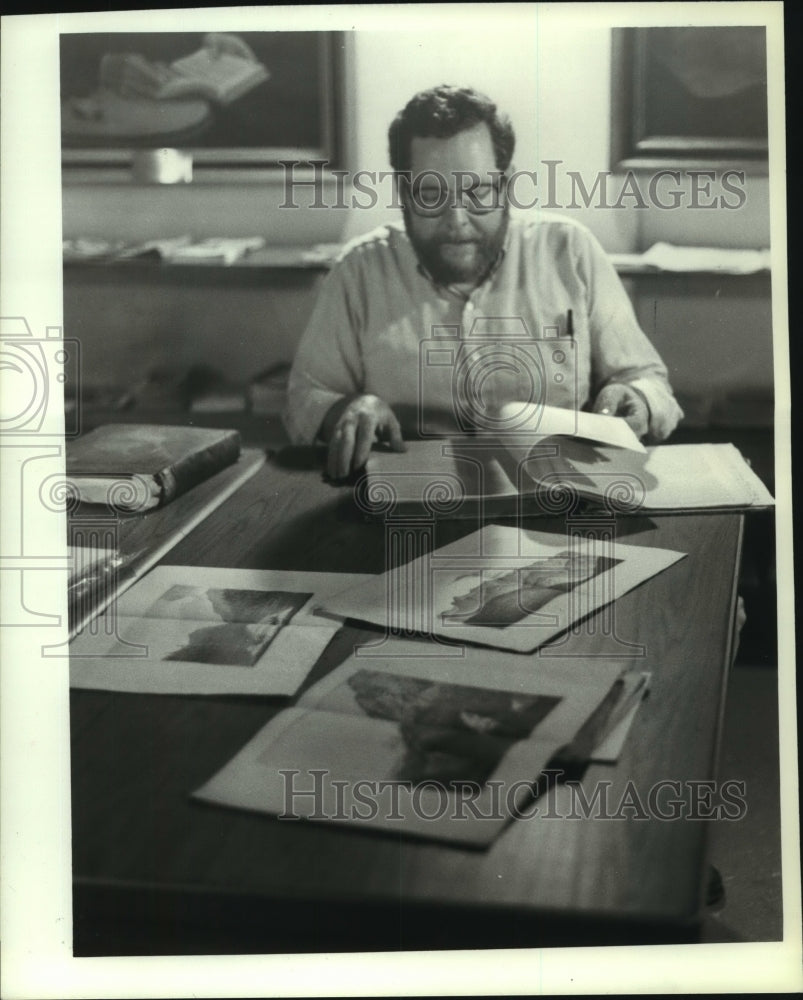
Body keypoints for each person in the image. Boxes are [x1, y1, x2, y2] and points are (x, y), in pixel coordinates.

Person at [284, 85, 683, 480]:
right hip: (409, 502)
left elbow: (647, 381)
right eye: (430, 195)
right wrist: (345, 410)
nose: (456, 219)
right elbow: (304, 398)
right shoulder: (360, 270)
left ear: (505, 185)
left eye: (477, 192)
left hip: (558, 501)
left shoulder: (570, 251)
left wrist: (639, 399)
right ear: (403, 193)